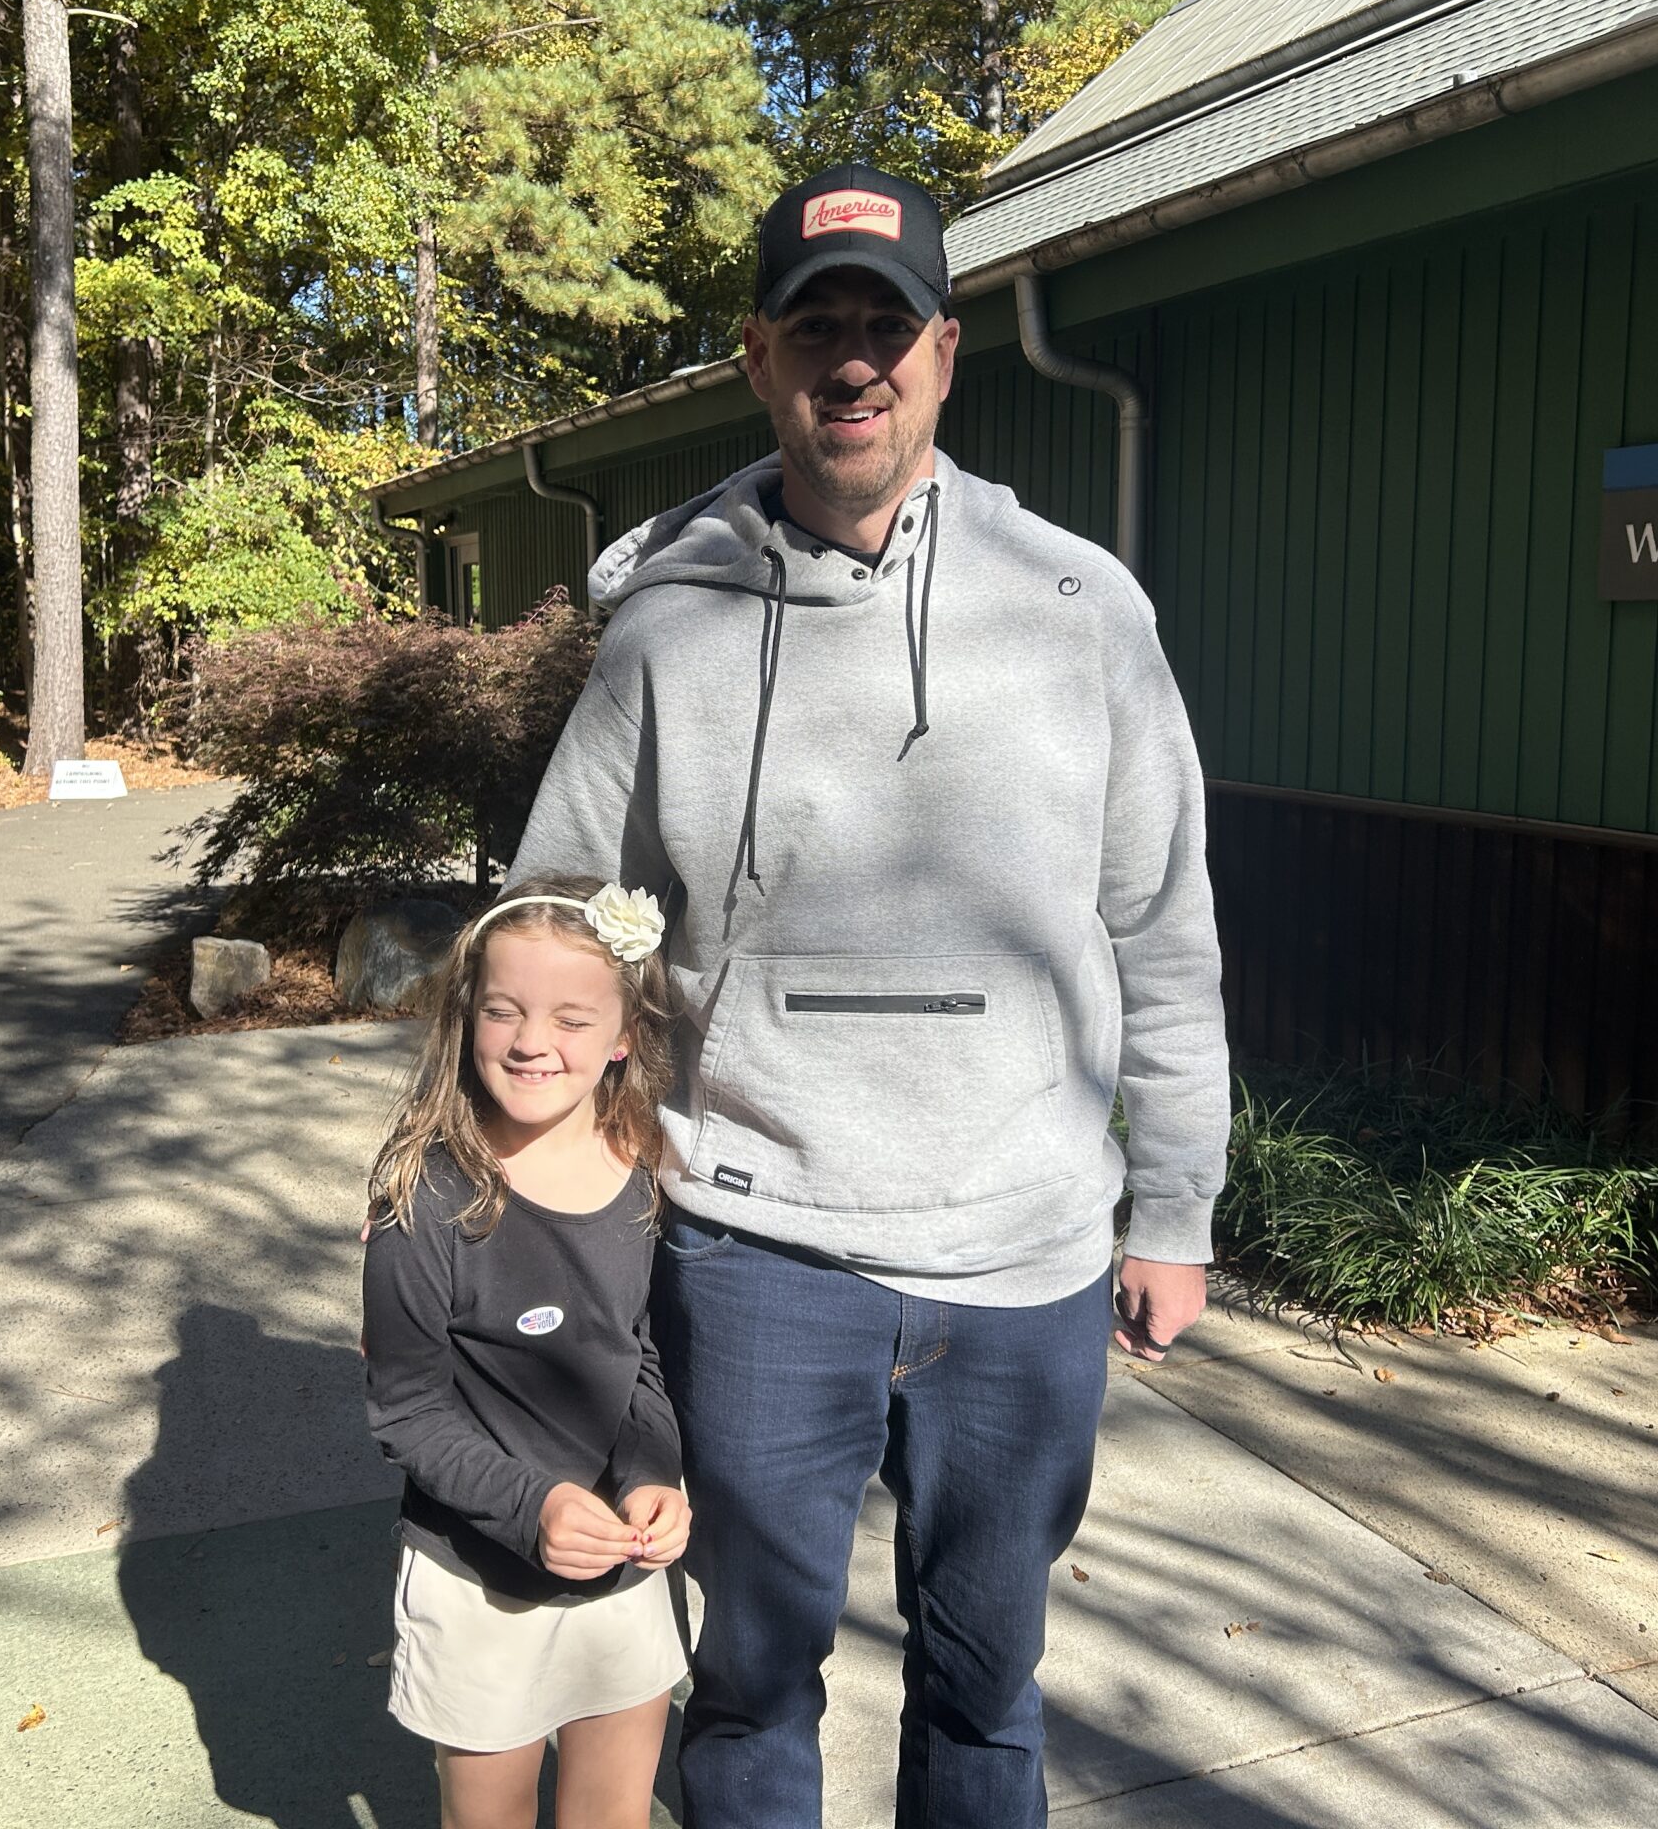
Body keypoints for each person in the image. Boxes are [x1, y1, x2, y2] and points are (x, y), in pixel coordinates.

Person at [508, 163, 1231, 1828]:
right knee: (751, 1689)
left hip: (1028, 1265)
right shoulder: (667, 634)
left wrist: (1177, 1211)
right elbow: (563, 922)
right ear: (759, 360)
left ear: (945, 357)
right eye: (817, 326)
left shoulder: (1080, 610)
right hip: (758, 1253)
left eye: (887, 328)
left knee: (985, 1692)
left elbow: (1164, 928)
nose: (856, 362)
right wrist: (547, 1183)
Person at [361, 874, 692, 1829]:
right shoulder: (425, 1197)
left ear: (624, 1033)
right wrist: (531, 1504)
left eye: (572, 1019)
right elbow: (407, 1412)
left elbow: (642, 1352)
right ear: (467, 1015)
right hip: (479, 1581)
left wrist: (656, 1474)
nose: (531, 1042)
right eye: (502, 1011)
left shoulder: (647, 1168)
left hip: (625, 1571)